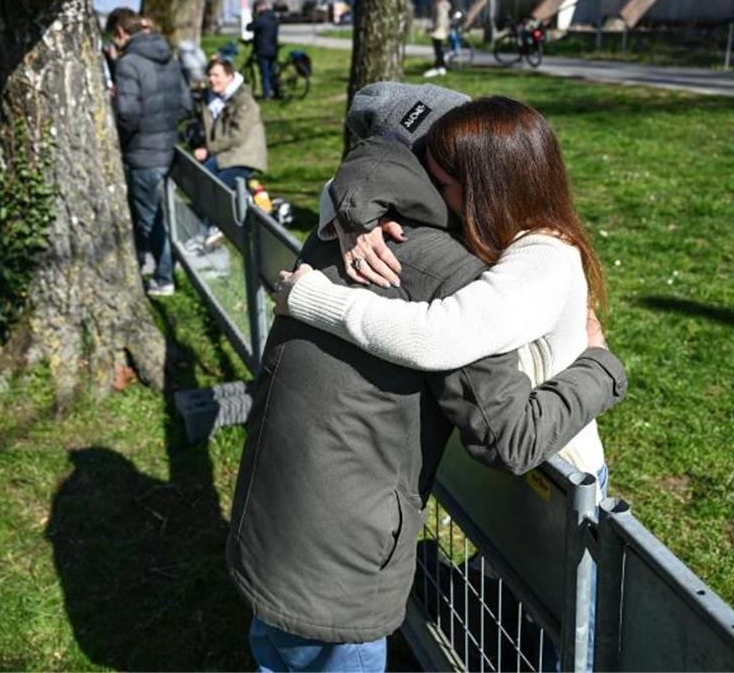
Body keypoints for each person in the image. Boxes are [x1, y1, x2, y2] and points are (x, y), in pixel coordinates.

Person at [228, 84, 628, 672]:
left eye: (446, 181)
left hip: (556, 474)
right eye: (435, 178)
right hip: (359, 549)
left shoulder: (526, 257)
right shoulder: (401, 243)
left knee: (548, 622)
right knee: (534, 617)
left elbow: (444, 334)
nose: (440, 195)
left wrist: (602, 365)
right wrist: (355, 210)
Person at [107, 7, 192, 298]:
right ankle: (154, 260)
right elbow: (185, 104)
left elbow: (128, 114)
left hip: (142, 152)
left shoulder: (129, 63)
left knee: (149, 217)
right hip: (168, 146)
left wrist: (115, 120)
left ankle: (164, 275)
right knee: (158, 212)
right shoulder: (168, 56)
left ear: (120, 32)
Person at [193, 57, 268, 243]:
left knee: (216, 186)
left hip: (243, 155)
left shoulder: (244, 100)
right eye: (209, 75)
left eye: (217, 75)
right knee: (203, 177)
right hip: (225, 155)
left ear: (230, 77)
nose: (212, 79)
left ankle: (213, 227)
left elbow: (238, 136)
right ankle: (203, 226)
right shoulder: (214, 99)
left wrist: (208, 148)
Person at [246, 0, 280, 100]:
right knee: (271, 72)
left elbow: (249, 27)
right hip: (273, 49)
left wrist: (254, 17)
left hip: (262, 50)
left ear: (259, 7)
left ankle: (266, 95)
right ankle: (275, 91)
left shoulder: (261, 19)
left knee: (264, 74)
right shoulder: (274, 18)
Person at [423, 0, 451, 78]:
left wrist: (432, 29)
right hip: (442, 29)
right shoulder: (445, 5)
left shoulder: (440, 6)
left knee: (438, 50)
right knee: (439, 49)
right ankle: (441, 65)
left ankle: (439, 66)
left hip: (438, 31)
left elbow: (439, 20)